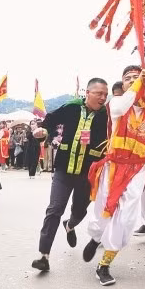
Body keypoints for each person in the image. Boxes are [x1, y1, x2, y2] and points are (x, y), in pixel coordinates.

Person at [83, 68, 145, 286]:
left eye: (136, 77)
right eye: (128, 79)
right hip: (113, 166)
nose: (133, 81)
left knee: (127, 216)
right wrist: (138, 84)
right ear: (123, 84)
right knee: (104, 210)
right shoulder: (117, 104)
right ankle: (95, 237)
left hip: (137, 168)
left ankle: (104, 264)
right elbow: (120, 106)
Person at [31, 78, 110, 273]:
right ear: (88, 93)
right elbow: (50, 120)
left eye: (105, 95)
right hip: (64, 169)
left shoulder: (107, 115)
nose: (103, 97)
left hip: (88, 173)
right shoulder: (72, 107)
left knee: (80, 211)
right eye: (99, 93)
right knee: (54, 209)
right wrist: (43, 130)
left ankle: (70, 224)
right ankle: (43, 256)